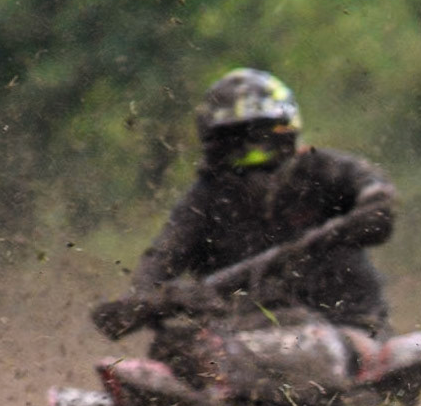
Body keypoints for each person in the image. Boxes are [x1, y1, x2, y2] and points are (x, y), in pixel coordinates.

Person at [92, 68, 398, 382]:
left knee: (318, 349)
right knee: (169, 357)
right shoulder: (206, 197)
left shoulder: (326, 171)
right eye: (236, 143)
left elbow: (378, 197)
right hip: (237, 335)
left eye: (261, 138)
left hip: (345, 326)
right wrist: (157, 299)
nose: (251, 153)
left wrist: (360, 218)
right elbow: (159, 261)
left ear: (286, 132)